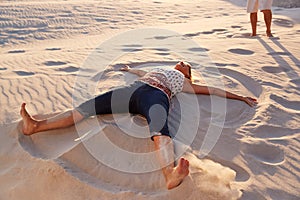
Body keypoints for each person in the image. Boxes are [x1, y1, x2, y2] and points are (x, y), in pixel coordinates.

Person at [20, 61, 257, 190]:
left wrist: (241, 97)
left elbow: (213, 91)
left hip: (156, 97)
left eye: (186, 66)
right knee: (86, 108)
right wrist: (128, 69)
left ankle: (169, 175)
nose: (182, 62)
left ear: (187, 75)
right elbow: (138, 71)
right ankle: (36, 127)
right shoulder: (159, 69)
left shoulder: (184, 84)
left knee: (160, 129)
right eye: (181, 63)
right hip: (131, 91)